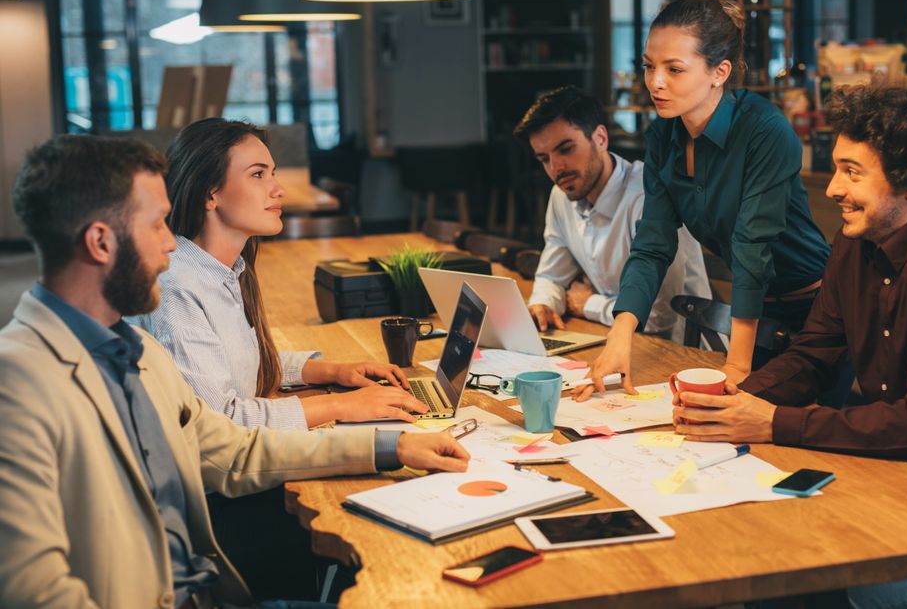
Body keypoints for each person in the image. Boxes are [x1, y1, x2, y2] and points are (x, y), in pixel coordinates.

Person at [0, 134, 469, 608]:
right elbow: (34, 593)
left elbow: (235, 452)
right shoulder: (16, 385)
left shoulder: (136, 350)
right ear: (101, 241)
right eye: (158, 224)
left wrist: (394, 445)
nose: (170, 244)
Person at [673, 85, 907, 608]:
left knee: (839, 584)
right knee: (772, 550)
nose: (833, 189)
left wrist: (770, 422)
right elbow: (816, 352)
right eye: (835, 168)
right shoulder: (856, 243)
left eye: (852, 172)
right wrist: (729, 399)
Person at [580, 0, 832, 399]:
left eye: (674, 69)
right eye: (649, 66)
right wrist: (620, 336)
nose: (655, 82)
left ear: (719, 72)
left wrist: (735, 365)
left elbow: (752, 248)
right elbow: (652, 244)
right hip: (758, 311)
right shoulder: (664, 134)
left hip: (820, 310)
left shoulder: (765, 130)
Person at [129, 118, 428, 431]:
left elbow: (231, 364)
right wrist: (342, 404)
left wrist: (333, 371)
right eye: (258, 174)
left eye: (273, 174)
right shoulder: (177, 285)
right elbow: (220, 422)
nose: (279, 190)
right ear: (210, 194)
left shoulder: (223, 271)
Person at [513, 85, 711, 340]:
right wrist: (544, 303)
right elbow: (553, 273)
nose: (556, 168)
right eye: (543, 159)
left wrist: (590, 304)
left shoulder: (649, 197)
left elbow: (661, 317)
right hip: (615, 338)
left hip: (682, 353)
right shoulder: (562, 194)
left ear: (600, 139)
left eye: (565, 149)